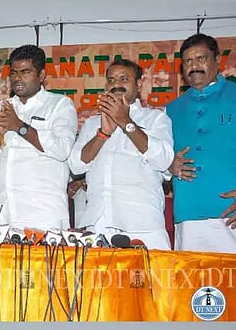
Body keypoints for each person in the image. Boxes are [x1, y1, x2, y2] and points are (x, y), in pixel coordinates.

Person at [68, 59, 174, 249]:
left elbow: (165, 161)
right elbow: (76, 165)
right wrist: (102, 134)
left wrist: (126, 122)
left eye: (123, 79)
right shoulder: (93, 123)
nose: (116, 84)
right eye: (111, 80)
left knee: (147, 280)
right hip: (97, 226)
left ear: (139, 84)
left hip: (142, 227)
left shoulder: (156, 119)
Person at [0, 44, 78, 231]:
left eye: (25, 72)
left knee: (43, 262)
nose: (17, 78)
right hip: (2, 212)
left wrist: (18, 126)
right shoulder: (4, 105)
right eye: (14, 72)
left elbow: (62, 150)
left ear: (41, 76)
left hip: (42, 214)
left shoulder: (60, 105)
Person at [166, 33, 236, 252]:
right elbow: (159, 157)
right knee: (192, 284)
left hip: (230, 215)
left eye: (201, 58)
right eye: (188, 61)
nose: (194, 66)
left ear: (217, 61)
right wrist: (170, 165)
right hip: (188, 215)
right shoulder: (171, 109)